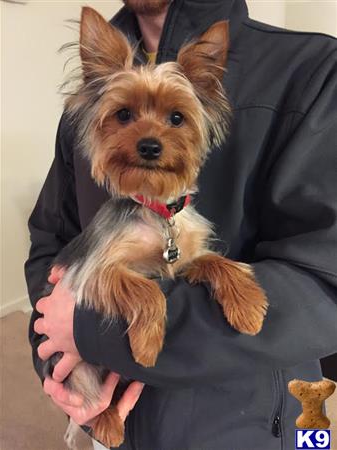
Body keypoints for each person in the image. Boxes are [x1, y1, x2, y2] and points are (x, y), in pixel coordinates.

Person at [25, 1, 337, 449]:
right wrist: (52, 364)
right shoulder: (92, 102)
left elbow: (325, 288)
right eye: (125, 116)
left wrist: (96, 328)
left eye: (175, 118)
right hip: (115, 420)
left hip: (248, 425)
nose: (149, 137)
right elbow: (48, 246)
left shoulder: (315, 71)